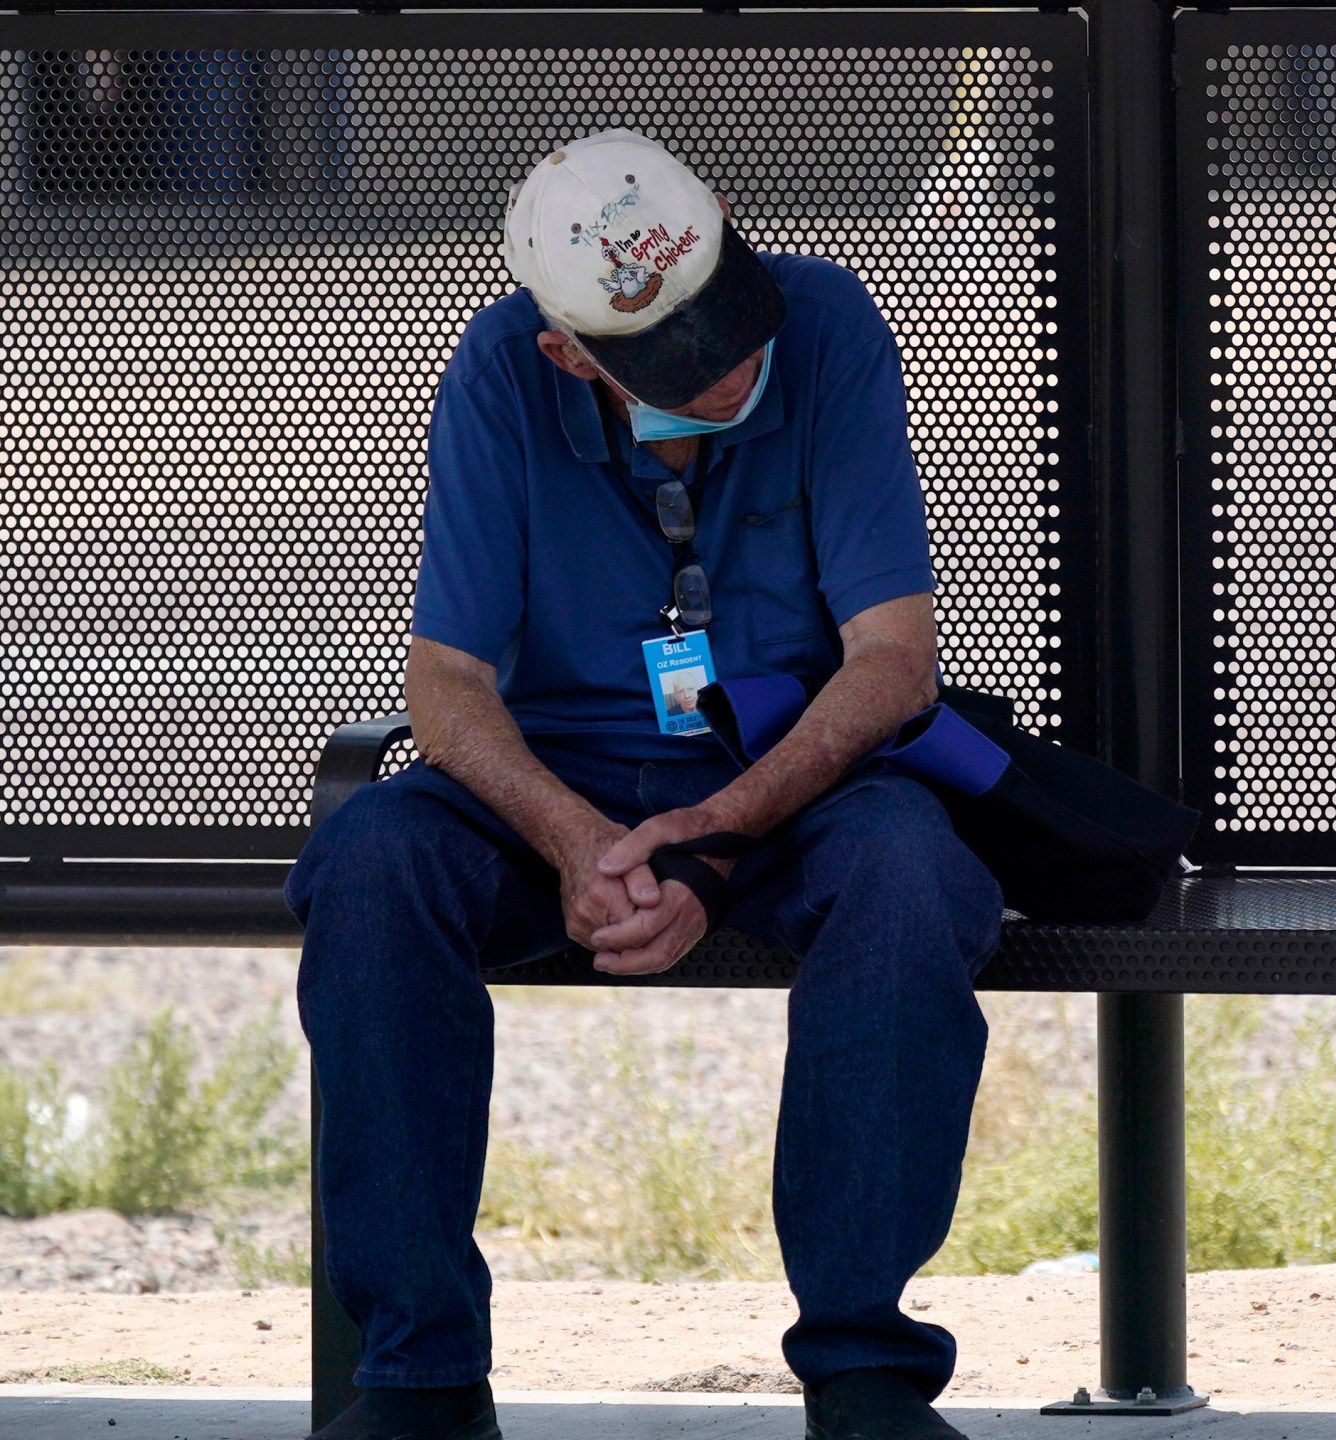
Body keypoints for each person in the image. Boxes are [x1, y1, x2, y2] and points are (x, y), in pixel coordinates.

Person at [285, 130, 1003, 1440]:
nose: (727, 370)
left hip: (786, 784)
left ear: (728, 220)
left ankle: (864, 1371)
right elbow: (444, 686)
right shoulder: (502, 371)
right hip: (556, 788)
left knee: (913, 873)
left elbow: (894, 662)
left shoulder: (829, 321)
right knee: (374, 857)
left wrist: (714, 831)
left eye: (725, 318)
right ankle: (421, 1378)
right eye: (675, 358)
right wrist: (572, 838)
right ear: (568, 351)